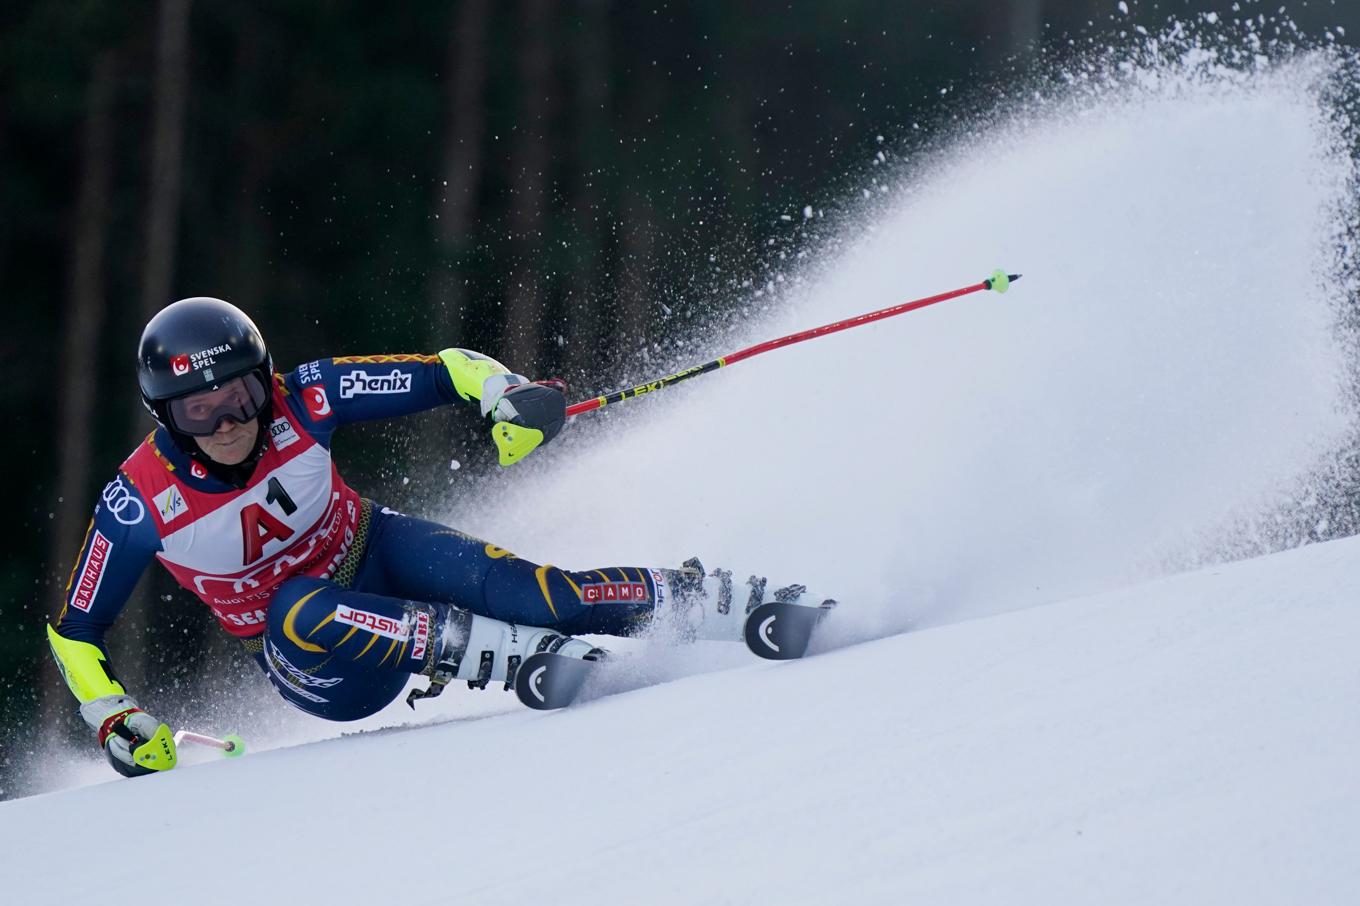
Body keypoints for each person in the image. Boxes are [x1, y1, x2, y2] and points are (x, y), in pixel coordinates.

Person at [48, 297, 826, 778]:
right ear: (166, 417)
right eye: (199, 411)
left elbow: (448, 368)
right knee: (297, 604)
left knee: (541, 594)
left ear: (266, 379)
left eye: (242, 396)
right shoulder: (137, 502)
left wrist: (505, 397)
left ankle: (722, 600)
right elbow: (75, 628)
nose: (229, 424)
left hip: (375, 550)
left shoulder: (308, 395)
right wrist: (114, 718)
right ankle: (502, 655)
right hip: (319, 660)